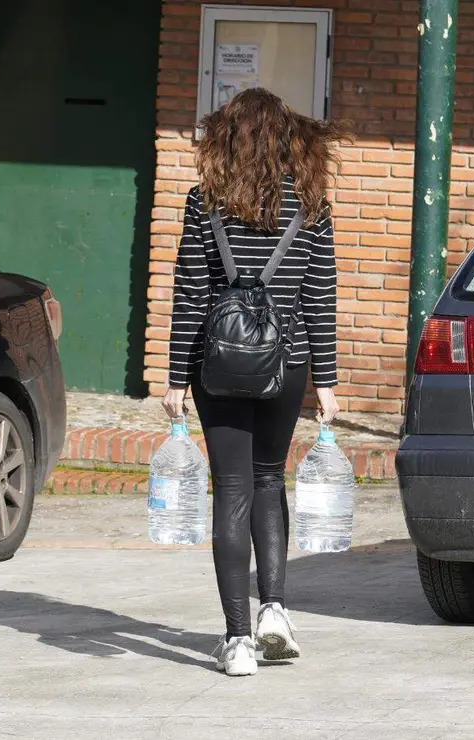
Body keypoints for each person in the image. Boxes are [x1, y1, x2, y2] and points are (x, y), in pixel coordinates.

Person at [162, 88, 347, 677]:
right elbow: (320, 295)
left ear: (227, 138)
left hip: (218, 364)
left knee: (232, 488)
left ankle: (237, 641)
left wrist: (174, 379)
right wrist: (327, 381)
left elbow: (190, 292)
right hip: (286, 361)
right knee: (270, 478)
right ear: (287, 139)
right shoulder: (311, 205)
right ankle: (273, 611)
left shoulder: (203, 203)